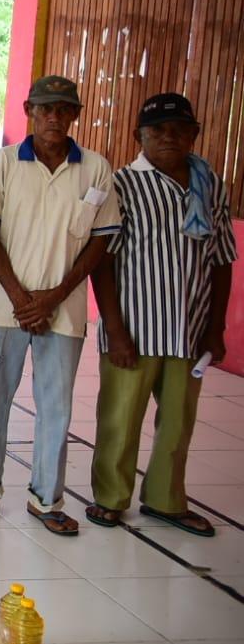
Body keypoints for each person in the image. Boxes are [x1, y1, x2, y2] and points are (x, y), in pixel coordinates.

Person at [0, 75, 118, 537]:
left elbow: (101, 242)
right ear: (30, 110)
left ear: (75, 115)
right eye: (46, 108)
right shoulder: (4, 163)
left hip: (63, 309)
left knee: (56, 406)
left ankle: (47, 499)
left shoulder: (95, 168)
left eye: (64, 109)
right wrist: (23, 298)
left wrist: (53, 295)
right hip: (6, 306)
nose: (54, 117)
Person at [86, 93, 233, 536]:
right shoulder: (122, 184)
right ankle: (110, 499)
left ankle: (166, 500)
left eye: (178, 129)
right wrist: (115, 330)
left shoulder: (210, 185)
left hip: (190, 331)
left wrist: (215, 328)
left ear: (193, 135)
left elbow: (222, 258)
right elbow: (103, 261)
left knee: (178, 422)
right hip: (134, 326)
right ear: (139, 137)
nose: (168, 137)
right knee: (119, 419)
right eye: (157, 130)